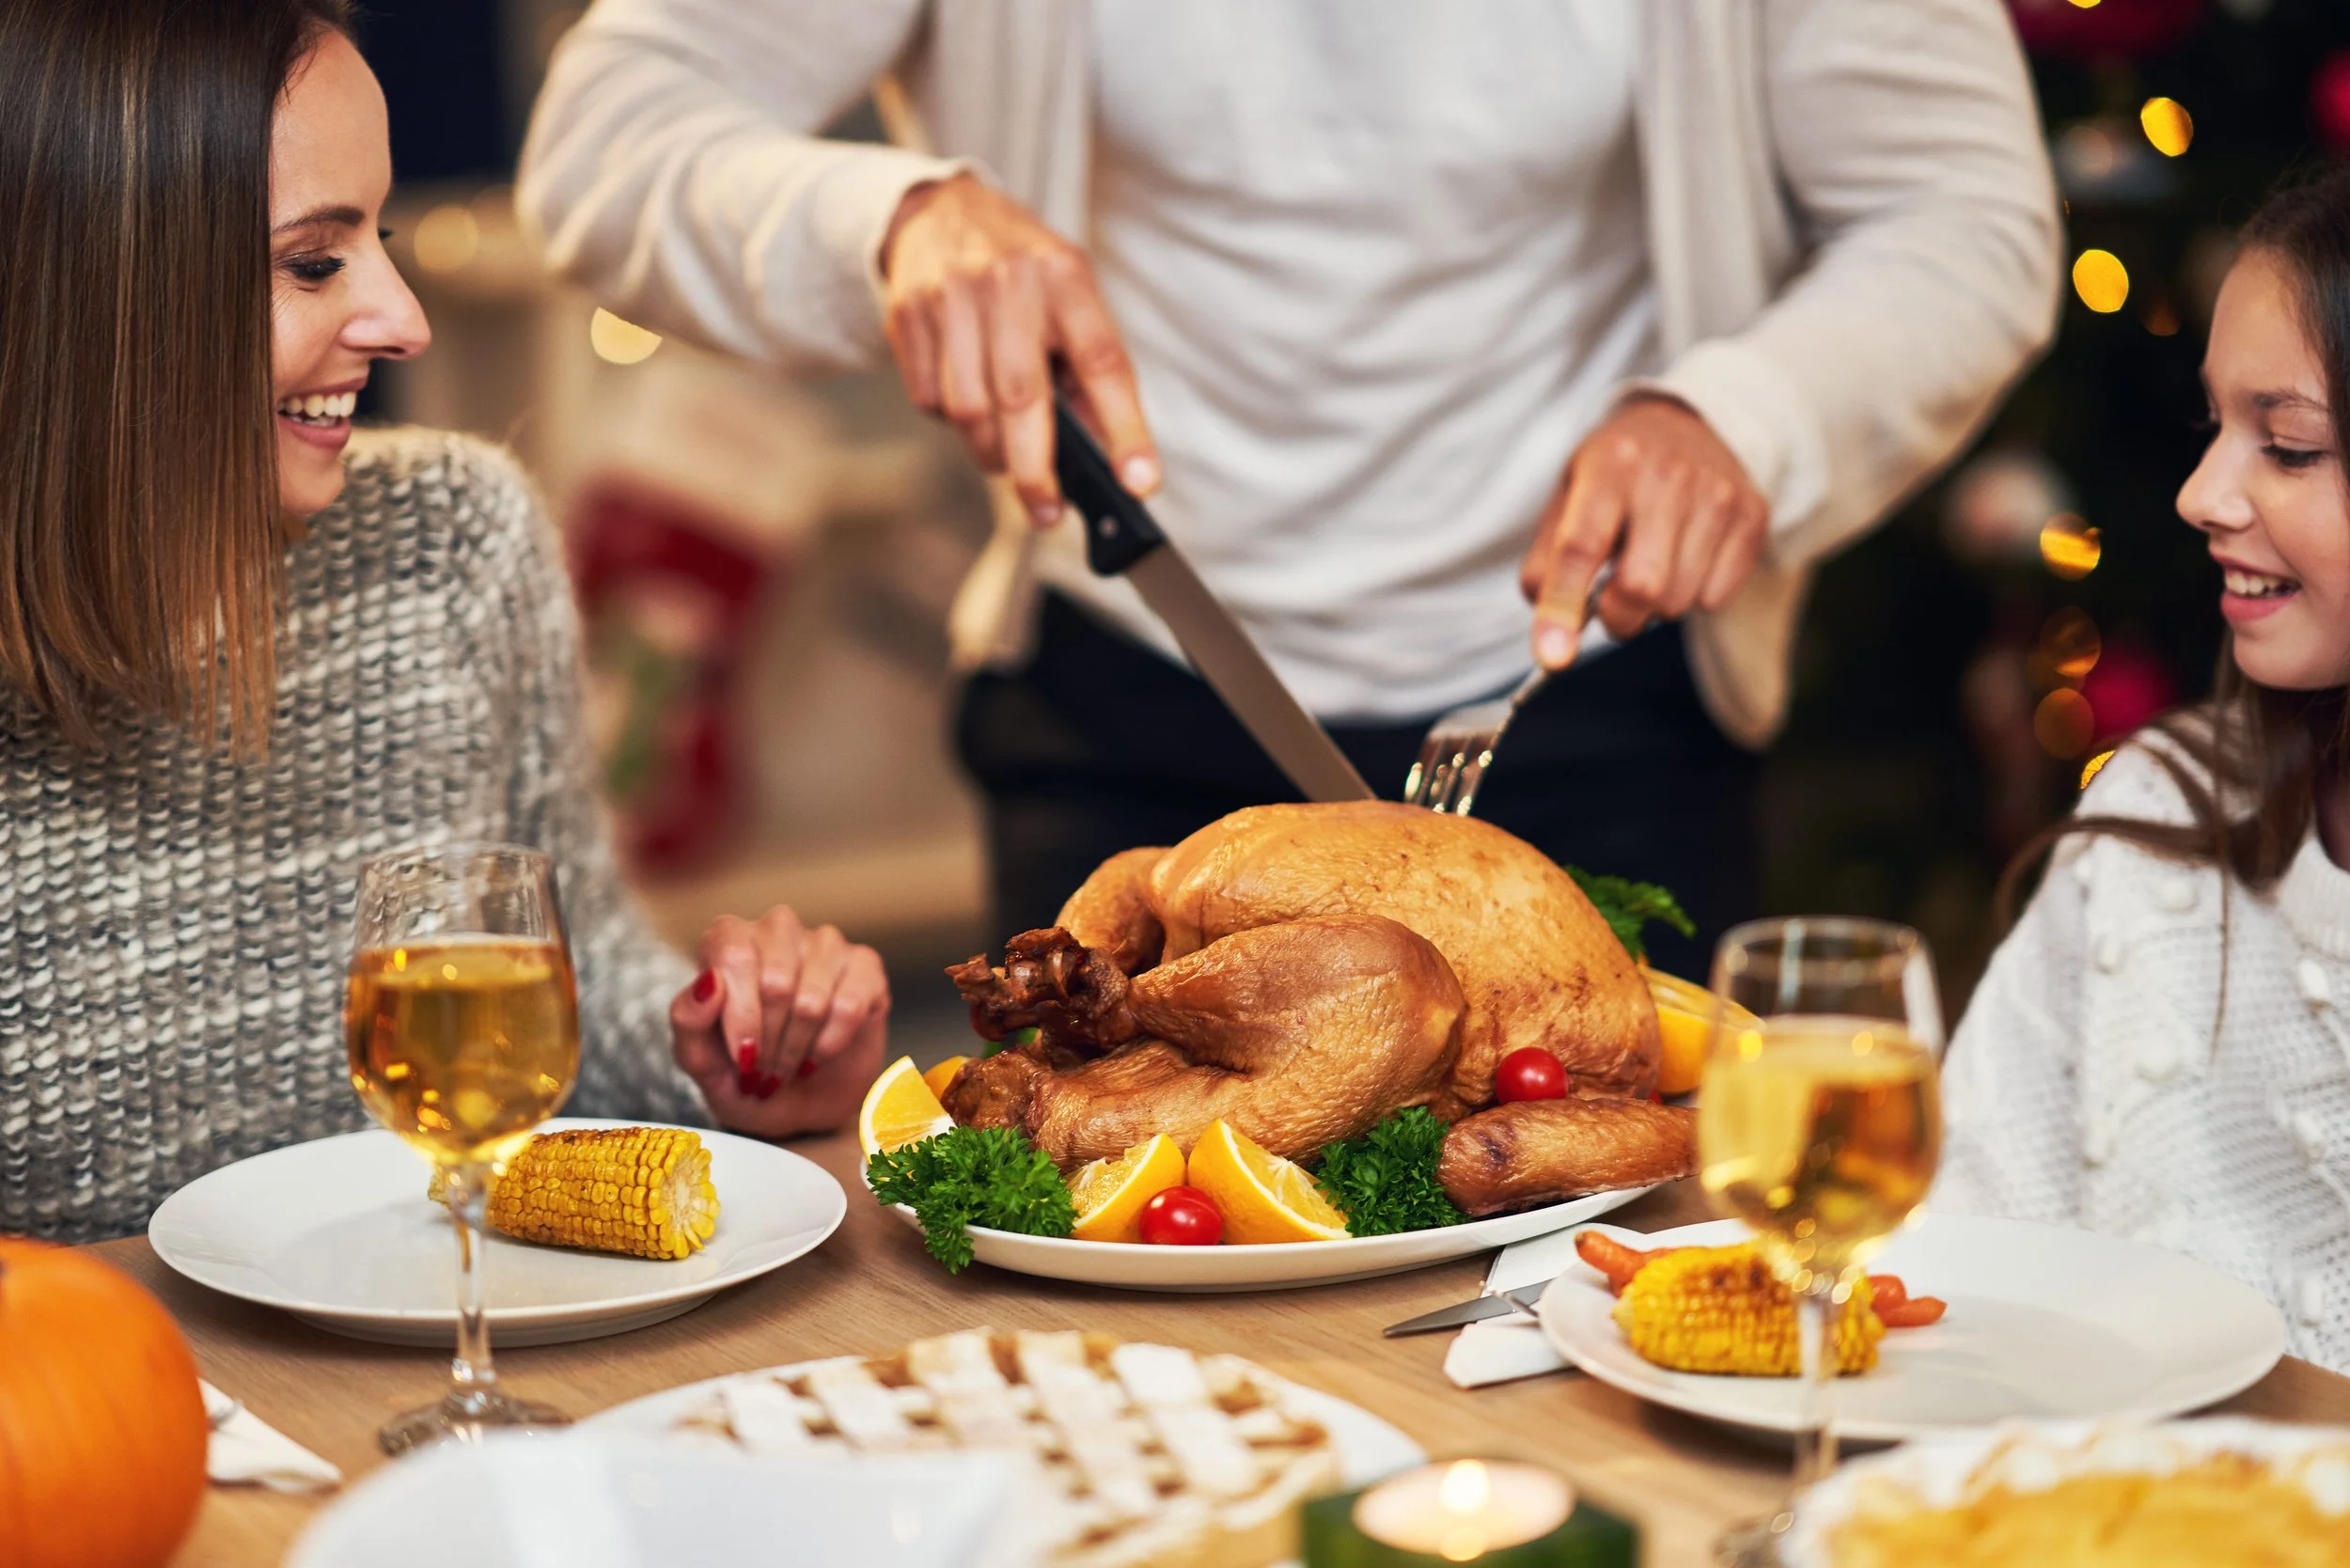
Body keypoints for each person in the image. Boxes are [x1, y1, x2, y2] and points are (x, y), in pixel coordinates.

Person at [518, 1, 2060, 976]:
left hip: (1589, 718)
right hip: (1125, 709)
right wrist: (890, 217)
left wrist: (1748, 416)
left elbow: (1966, 214)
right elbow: (605, 138)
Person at [0, 0, 887, 1245]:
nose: (403, 320)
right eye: (316, 261)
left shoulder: (456, 538)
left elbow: (568, 1001)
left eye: (381, 237)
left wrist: (723, 1055)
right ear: (100, 295)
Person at [1936, 169, 2350, 1372]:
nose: (2199, 494)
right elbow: (1960, 1244)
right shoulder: (2154, 814)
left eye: (2287, 445)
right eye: (2212, 429)